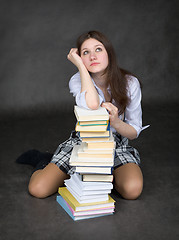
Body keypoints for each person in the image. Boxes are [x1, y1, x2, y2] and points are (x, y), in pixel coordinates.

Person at [17, 30, 146, 200]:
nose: (93, 56)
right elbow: (92, 104)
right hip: (84, 142)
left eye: (98, 49)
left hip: (116, 144)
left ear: (109, 53)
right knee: (38, 189)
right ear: (80, 58)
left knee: (132, 190)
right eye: (85, 53)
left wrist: (116, 123)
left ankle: (106, 175)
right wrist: (80, 67)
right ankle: (44, 161)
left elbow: (134, 132)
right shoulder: (77, 80)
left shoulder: (130, 83)